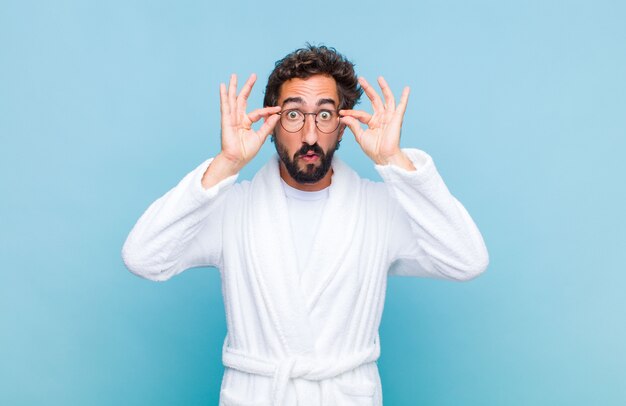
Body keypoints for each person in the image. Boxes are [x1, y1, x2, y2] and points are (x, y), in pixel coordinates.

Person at [122, 45, 489, 406]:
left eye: (325, 115)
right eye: (294, 115)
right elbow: (143, 257)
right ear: (271, 125)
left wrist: (394, 160)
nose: (310, 136)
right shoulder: (232, 209)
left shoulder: (379, 210)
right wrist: (227, 163)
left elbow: (466, 260)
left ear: (343, 126)